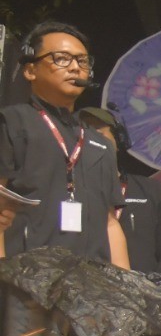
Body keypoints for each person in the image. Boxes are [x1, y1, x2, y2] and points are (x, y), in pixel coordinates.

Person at [0, 22, 129, 267]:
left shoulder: (98, 143)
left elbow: (110, 223)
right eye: (61, 58)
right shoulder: (12, 123)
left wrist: (129, 290)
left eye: (82, 61)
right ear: (30, 70)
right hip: (27, 283)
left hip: (93, 289)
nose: (74, 67)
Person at [79, 105, 161, 276]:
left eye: (98, 134)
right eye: (83, 135)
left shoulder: (153, 192)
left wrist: (151, 295)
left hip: (142, 297)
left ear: (119, 141)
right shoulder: (65, 191)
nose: (90, 141)